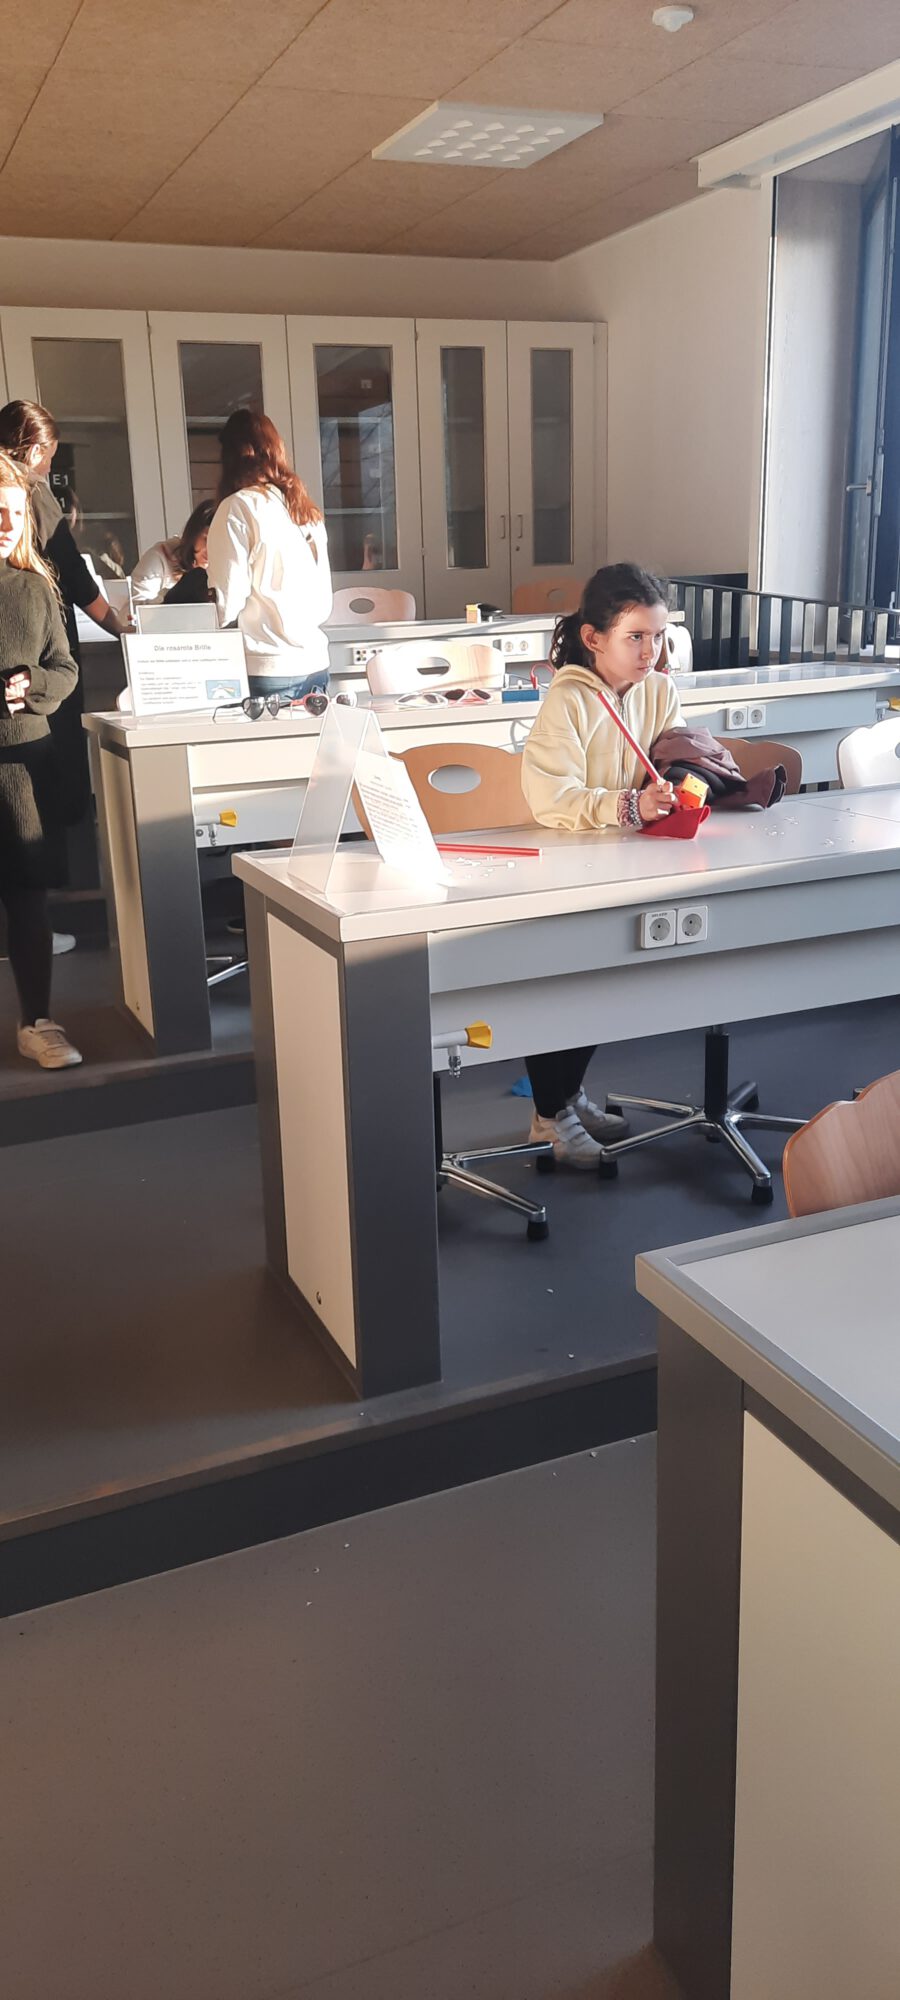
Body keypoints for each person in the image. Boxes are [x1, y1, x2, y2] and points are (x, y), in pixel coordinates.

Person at [520, 562, 681, 1167]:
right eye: (634, 637)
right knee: (567, 988)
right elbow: (550, 798)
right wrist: (629, 805)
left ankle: (566, 1096)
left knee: (607, 988)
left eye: (657, 636)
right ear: (593, 638)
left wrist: (685, 780)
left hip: (623, 865)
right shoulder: (568, 700)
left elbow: (673, 757)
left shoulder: (659, 691)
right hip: (566, 870)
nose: (649, 651)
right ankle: (548, 1114)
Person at [0, 400, 129, 953]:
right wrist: (117, 625)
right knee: (38, 799)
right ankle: (35, 923)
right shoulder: (29, 493)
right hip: (33, 649)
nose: (49, 467)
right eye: (49, 456)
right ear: (34, 450)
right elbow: (72, 572)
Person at [0, 450, 82, 1068]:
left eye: (14, 512)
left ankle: (38, 1021)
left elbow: (65, 667)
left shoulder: (34, 586)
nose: (7, 525)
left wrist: (33, 685)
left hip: (26, 767)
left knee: (29, 898)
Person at [206, 410, 332, 697]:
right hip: (315, 661)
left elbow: (227, 603)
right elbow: (323, 598)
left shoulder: (238, 507)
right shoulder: (305, 510)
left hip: (266, 666)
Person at [132, 500, 214, 605]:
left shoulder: (228, 569)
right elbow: (133, 610)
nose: (210, 549)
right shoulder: (160, 559)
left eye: (219, 543)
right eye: (206, 540)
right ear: (194, 534)